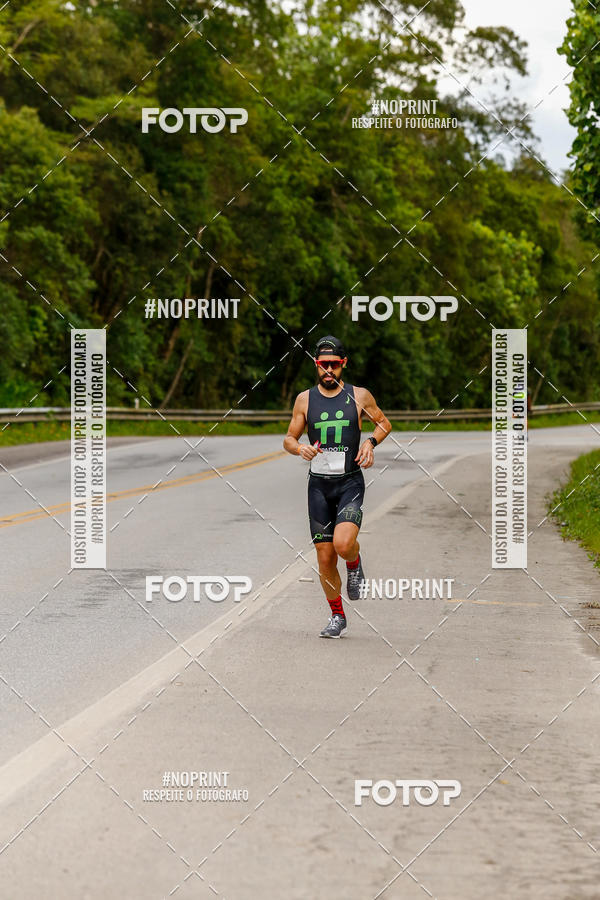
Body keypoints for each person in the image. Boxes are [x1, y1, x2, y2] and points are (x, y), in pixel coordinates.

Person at [283, 335, 392, 637]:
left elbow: (383, 423)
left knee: (343, 545)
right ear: (316, 365)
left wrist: (370, 443)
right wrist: (298, 449)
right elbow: (289, 438)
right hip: (318, 486)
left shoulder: (359, 396)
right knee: (325, 556)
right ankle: (337, 616)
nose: (328, 370)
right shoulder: (304, 400)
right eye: (322, 364)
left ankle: (355, 564)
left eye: (333, 364)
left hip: (349, 483)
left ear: (343, 364)